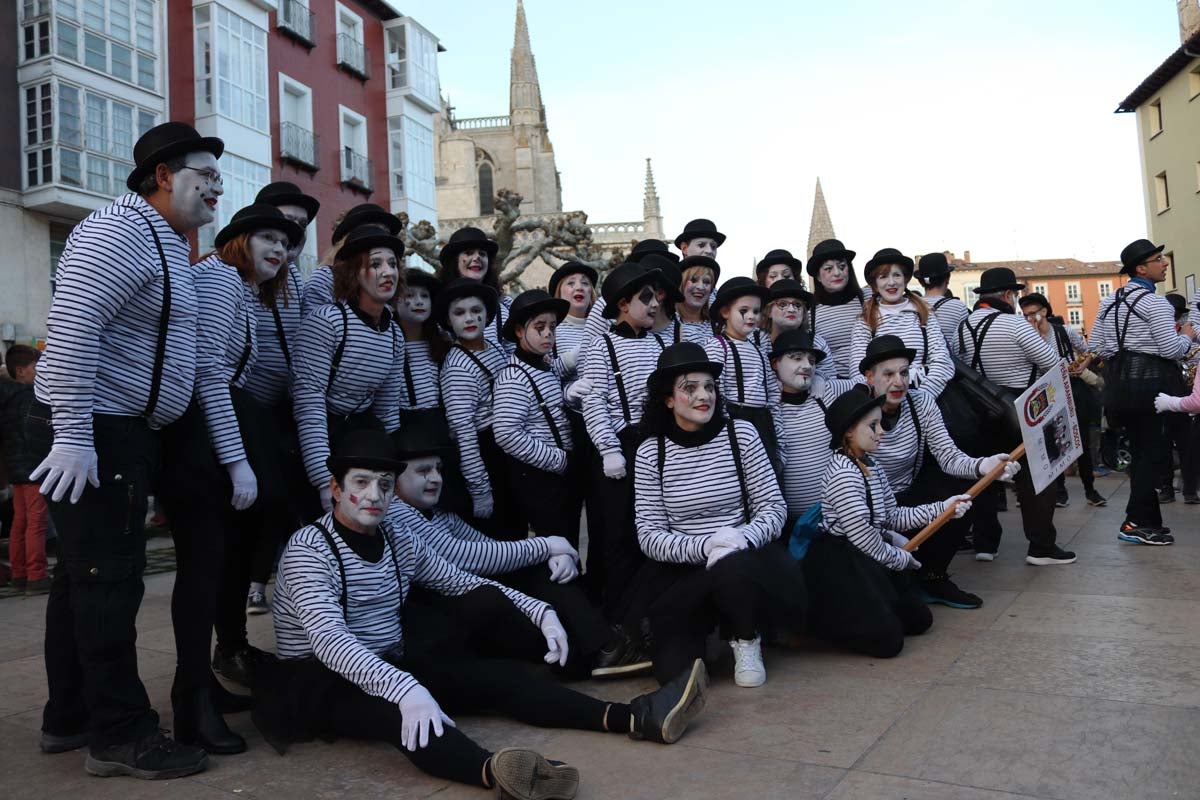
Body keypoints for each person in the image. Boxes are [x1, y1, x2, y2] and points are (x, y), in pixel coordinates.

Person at [252, 429, 708, 800]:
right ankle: (499, 774)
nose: (374, 495)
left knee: (498, 679)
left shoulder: (396, 536)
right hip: (318, 679)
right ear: (336, 489)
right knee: (405, 717)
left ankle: (632, 716)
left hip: (390, 661)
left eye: (384, 485)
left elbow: (461, 580)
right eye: (360, 483)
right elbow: (331, 642)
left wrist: (540, 611)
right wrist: (407, 689)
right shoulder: (309, 550)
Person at [28, 121, 222, 778]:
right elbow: (75, 332)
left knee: (81, 581)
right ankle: (119, 733)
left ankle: (71, 716)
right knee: (107, 584)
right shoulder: (118, 232)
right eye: (207, 175)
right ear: (165, 176)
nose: (218, 189)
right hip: (102, 432)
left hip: (127, 433)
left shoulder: (165, 239)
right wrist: (76, 435)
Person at [158, 203, 301, 754]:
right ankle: (191, 704)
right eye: (266, 236)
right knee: (201, 575)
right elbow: (208, 373)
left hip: (210, 440)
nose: (279, 249)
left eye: (286, 243)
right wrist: (237, 459)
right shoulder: (217, 281)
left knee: (214, 571)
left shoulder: (237, 288)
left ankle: (201, 690)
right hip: (199, 446)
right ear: (237, 240)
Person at [384, 423, 650, 679]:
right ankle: (597, 649)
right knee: (513, 586)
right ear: (394, 480)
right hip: (449, 612)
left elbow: (489, 549)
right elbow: (460, 555)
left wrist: (550, 553)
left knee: (540, 569)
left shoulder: (437, 513)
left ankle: (603, 645)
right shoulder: (397, 512)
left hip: (475, 597)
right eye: (422, 471)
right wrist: (547, 545)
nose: (435, 478)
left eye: (438, 469)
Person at [632, 343, 803, 688]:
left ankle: (745, 637)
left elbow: (773, 506)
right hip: (684, 570)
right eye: (690, 388)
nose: (703, 396)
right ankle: (706, 630)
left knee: (732, 569)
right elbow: (649, 534)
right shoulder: (652, 452)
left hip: (742, 562)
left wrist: (741, 539)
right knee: (674, 676)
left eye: (709, 386)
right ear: (668, 399)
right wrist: (706, 545)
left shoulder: (742, 435)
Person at [805, 387, 971, 657]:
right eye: (873, 425)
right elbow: (862, 539)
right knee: (888, 643)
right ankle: (825, 624)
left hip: (868, 554)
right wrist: (899, 558)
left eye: (880, 423)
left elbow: (892, 516)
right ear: (849, 432)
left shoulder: (872, 464)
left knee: (919, 621)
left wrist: (944, 509)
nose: (881, 431)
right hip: (842, 560)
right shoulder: (842, 475)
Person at [858, 336, 1018, 608]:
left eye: (904, 372)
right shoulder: (855, 407)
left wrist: (984, 466)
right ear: (870, 378)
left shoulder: (921, 404)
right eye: (889, 374)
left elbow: (949, 457)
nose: (899, 382)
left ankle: (934, 575)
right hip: (866, 506)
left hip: (907, 493)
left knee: (963, 489)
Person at [239, 181, 322, 616]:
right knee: (262, 498)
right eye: (284, 223)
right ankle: (251, 584)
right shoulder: (237, 280)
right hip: (246, 410)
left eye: (299, 227)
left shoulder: (297, 283)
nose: (291, 234)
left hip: (289, 408)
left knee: (290, 499)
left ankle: (286, 583)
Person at [959, 267, 1075, 565]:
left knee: (985, 476)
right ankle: (1041, 547)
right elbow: (1053, 362)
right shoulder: (1015, 325)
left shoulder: (963, 326)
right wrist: (1044, 334)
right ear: (1009, 295)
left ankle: (986, 544)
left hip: (977, 410)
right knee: (1037, 478)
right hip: (1018, 409)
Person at [293, 227, 406, 513]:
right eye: (375, 264)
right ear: (354, 272)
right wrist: (322, 480)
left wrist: (392, 472)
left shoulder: (394, 333)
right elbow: (309, 403)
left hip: (360, 432)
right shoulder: (326, 322)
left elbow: (387, 412)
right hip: (317, 435)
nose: (388, 272)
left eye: (392, 264)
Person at [581, 261, 669, 624]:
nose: (653, 305)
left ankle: (652, 615)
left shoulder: (661, 342)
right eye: (645, 298)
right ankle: (619, 621)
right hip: (621, 449)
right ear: (621, 304)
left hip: (657, 447)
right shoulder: (603, 346)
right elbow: (593, 399)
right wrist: (608, 449)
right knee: (619, 536)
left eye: (656, 298)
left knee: (655, 533)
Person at [1091, 240, 1196, 544]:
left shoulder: (1108, 301)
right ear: (1141, 268)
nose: (1164, 263)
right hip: (1152, 385)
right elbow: (1171, 349)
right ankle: (1134, 522)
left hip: (1119, 386)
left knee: (1141, 453)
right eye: (1158, 259)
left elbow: (1097, 345)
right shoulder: (1156, 303)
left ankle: (1150, 521)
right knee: (1152, 454)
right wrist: (1187, 335)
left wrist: (1124, 351)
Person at [437, 279, 521, 539]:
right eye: (460, 313)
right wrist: (480, 489)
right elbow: (464, 433)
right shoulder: (457, 368)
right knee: (499, 532)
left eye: (476, 311)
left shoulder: (494, 347)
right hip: (485, 453)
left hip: (506, 445)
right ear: (449, 321)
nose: (470, 318)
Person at [493, 289, 577, 541]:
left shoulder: (544, 364)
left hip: (559, 475)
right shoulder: (513, 377)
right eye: (539, 327)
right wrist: (557, 459)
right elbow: (506, 434)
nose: (548, 333)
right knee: (553, 543)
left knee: (568, 537)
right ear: (519, 331)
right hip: (539, 478)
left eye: (552, 326)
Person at [1017, 293, 1106, 508]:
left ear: (1044, 312)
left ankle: (1090, 489)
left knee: (1081, 438)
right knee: (1052, 440)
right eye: (1025, 315)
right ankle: (1060, 491)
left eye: (1032, 314)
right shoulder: (1026, 335)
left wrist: (1082, 366)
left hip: (1072, 388)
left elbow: (1088, 351)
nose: (1029, 319)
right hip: (1045, 391)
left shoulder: (1064, 332)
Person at [769, 331, 854, 527]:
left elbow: (870, 384)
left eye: (812, 360)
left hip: (840, 518)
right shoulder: (766, 408)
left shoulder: (828, 392)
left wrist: (823, 379)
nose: (807, 366)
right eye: (796, 358)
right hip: (790, 527)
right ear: (775, 363)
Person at [851, 248, 954, 398]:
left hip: (926, 397)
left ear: (905, 279)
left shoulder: (924, 313)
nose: (891, 282)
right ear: (875, 283)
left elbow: (942, 361)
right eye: (883, 276)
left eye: (896, 275)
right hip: (883, 402)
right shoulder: (865, 321)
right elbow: (858, 371)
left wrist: (922, 398)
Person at [704, 277, 783, 469]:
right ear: (725, 312)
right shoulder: (717, 347)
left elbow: (772, 394)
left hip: (763, 422)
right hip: (735, 420)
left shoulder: (759, 350)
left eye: (756, 311)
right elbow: (715, 391)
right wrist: (725, 432)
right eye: (743, 311)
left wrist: (779, 442)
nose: (751, 317)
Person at [1, 345, 49, 594]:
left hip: (16, 468)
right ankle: (36, 574)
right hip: (33, 467)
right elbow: (34, 435)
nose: (40, 371)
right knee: (36, 523)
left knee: (20, 523)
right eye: (35, 367)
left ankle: (19, 572)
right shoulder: (29, 398)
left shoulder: (8, 398)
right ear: (21, 371)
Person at [301, 203, 403, 316]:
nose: (379, 237)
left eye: (385, 233)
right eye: (370, 230)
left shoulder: (392, 280)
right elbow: (314, 326)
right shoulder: (325, 278)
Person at [436, 227, 513, 354]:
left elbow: (513, 351)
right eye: (469, 252)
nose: (477, 257)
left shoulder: (505, 305)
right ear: (455, 261)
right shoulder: (438, 306)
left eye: (482, 254)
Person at [807, 239, 867, 379]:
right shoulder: (810, 312)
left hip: (872, 379)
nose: (837, 273)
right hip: (833, 383)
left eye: (842, 266)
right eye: (828, 269)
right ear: (818, 276)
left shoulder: (868, 300)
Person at [756, 279, 836, 380]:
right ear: (769, 312)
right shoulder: (755, 341)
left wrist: (819, 378)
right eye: (782, 305)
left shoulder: (816, 344)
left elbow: (831, 378)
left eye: (797, 305)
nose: (791, 310)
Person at [396, 268, 446, 422]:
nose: (419, 301)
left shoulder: (443, 344)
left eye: (425, 296)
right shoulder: (389, 347)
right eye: (410, 295)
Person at [915, 252, 969, 353]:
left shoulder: (912, 306)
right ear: (947, 278)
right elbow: (964, 346)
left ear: (921, 282)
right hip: (948, 365)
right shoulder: (958, 307)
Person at [674, 255, 719, 345]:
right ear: (681, 284)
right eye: (694, 280)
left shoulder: (719, 327)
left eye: (706, 282)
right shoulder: (668, 323)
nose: (700, 287)